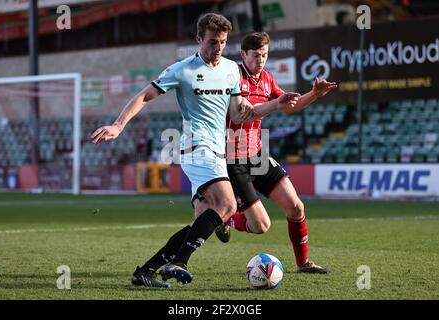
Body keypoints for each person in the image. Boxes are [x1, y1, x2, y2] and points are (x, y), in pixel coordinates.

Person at [91, 14, 301, 288]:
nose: (218, 47)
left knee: (207, 219)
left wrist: (276, 103)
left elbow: (239, 114)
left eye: (223, 42)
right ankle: (179, 262)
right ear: (199, 39)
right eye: (212, 42)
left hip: (218, 150)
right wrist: (119, 125)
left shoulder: (229, 70)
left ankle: (145, 271)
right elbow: (144, 95)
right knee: (226, 204)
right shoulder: (182, 70)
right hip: (196, 147)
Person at [215, 32, 337, 273]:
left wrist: (314, 94)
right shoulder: (231, 77)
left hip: (257, 154)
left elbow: (289, 106)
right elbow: (246, 112)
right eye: (256, 55)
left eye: (265, 55)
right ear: (243, 54)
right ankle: (225, 218)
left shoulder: (268, 79)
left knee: (296, 207)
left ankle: (303, 263)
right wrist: (276, 104)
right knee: (260, 225)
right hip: (233, 159)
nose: (261, 60)